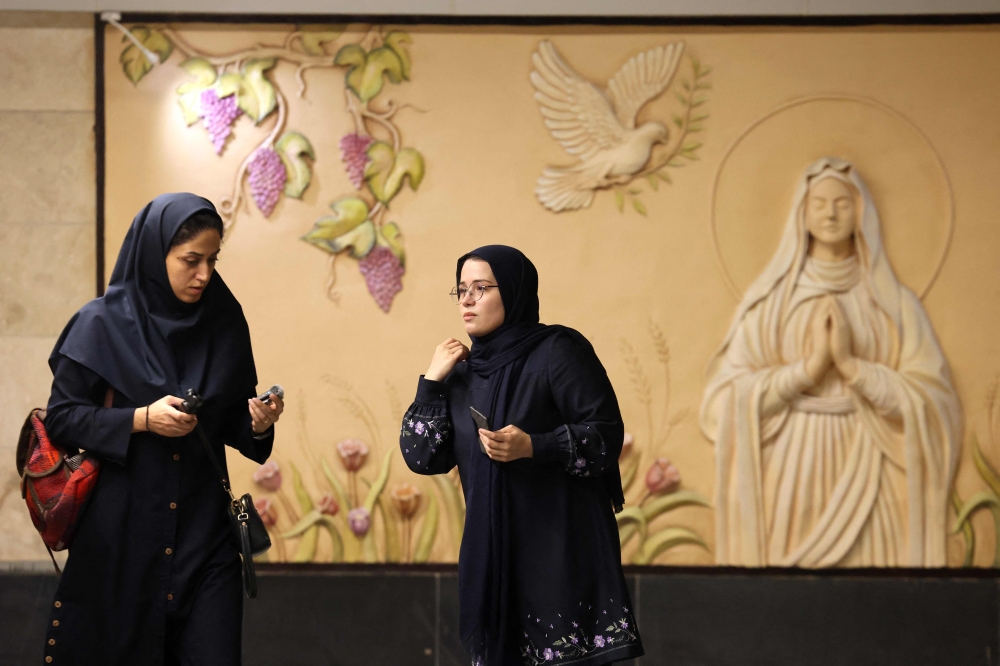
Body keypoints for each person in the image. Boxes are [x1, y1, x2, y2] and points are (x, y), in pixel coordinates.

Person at [41, 193, 284, 665]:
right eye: (191, 261)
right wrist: (141, 419)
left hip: (205, 537)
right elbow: (62, 417)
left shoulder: (223, 319)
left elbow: (230, 417)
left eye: (213, 260)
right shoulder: (100, 324)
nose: (205, 275)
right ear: (155, 255)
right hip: (122, 538)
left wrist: (257, 422)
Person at [700, 157, 962, 567]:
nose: (830, 212)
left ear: (860, 212)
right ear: (801, 214)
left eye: (842, 202)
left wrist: (851, 366)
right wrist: (808, 370)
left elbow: (930, 399)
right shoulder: (770, 306)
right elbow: (724, 402)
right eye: (819, 202)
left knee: (875, 593)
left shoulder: (893, 304)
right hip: (791, 469)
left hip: (869, 467)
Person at [400, 245, 641, 666]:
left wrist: (534, 445)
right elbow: (422, 457)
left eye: (481, 287)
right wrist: (432, 381)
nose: (468, 300)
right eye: (460, 290)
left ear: (513, 291)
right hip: (493, 558)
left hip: (559, 554)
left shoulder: (558, 351)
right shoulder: (461, 372)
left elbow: (604, 436)